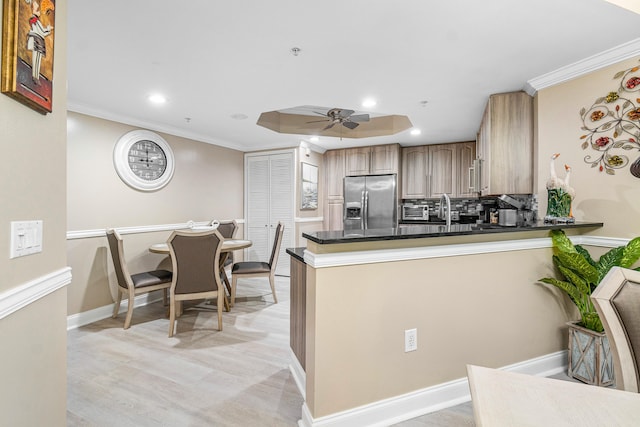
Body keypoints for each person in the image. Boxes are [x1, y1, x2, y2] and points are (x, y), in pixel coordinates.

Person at [26, 0, 54, 84]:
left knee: (37, 58)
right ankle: (34, 76)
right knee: (36, 58)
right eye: (38, 10)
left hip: (39, 40)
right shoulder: (34, 19)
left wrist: (48, 30)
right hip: (36, 39)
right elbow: (42, 31)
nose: (40, 12)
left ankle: (36, 76)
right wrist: (48, 29)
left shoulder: (36, 20)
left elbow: (43, 31)